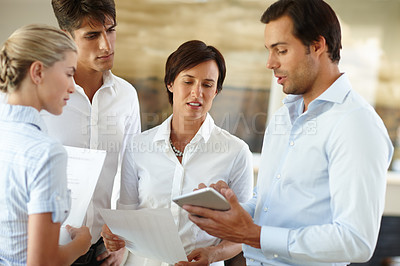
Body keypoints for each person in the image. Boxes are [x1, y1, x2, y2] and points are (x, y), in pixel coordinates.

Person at [182, 0, 394, 265]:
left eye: (280, 50)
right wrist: (230, 210)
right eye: (269, 51)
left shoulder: (356, 125)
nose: (270, 63)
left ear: (317, 46)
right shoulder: (284, 116)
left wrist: (254, 235)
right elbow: (267, 204)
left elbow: (356, 241)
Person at [101, 40, 254, 266]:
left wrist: (213, 254)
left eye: (207, 84)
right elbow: (127, 217)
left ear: (217, 91)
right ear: (171, 83)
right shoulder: (138, 146)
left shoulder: (236, 152)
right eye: (188, 81)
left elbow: (243, 234)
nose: (197, 93)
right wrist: (113, 235)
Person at [41, 0, 141, 265]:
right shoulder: (41, 95)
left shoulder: (126, 96)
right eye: (92, 35)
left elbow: (131, 173)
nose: (106, 45)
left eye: (111, 30)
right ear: (66, 37)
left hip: (100, 251)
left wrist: (124, 239)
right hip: (46, 247)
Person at [0, 24, 92, 265]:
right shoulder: (47, 154)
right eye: (70, 73)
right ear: (38, 72)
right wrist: (81, 244)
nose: (72, 87)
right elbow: (44, 261)